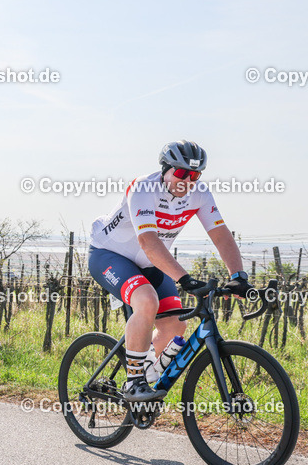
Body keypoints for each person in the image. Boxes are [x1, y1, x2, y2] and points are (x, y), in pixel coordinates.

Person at [87, 141, 252, 402]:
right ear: (165, 169)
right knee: (146, 301)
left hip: (151, 262)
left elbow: (220, 235)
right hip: (110, 255)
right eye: (181, 173)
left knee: (176, 324)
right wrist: (184, 279)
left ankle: (148, 372)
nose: (187, 180)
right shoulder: (143, 187)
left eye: (195, 175)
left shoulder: (199, 194)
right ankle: (134, 382)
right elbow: (149, 242)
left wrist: (238, 277)